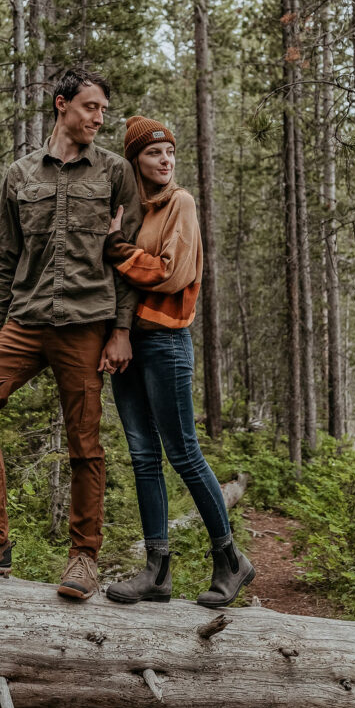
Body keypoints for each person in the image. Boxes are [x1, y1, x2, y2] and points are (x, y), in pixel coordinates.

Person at [0, 68, 143, 601]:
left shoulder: (116, 173)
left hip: (86, 326)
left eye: (103, 110)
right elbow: (2, 258)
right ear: (61, 105)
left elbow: (128, 261)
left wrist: (121, 331)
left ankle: (83, 559)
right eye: (91, 107)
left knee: (85, 442)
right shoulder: (20, 174)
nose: (99, 118)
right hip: (25, 323)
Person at [103, 114, 255, 608]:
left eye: (170, 152)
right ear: (135, 159)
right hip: (125, 343)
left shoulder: (179, 204)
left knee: (183, 452)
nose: (165, 160)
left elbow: (171, 274)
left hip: (166, 342)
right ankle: (157, 571)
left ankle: (230, 560)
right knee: (144, 457)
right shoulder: (130, 209)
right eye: (154, 153)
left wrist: (118, 251)